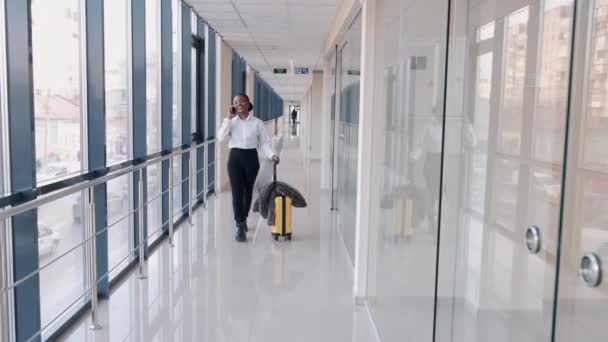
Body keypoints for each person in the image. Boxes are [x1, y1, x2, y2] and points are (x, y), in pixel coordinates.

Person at [218, 94, 280, 242]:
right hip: (235, 158)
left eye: (241, 101)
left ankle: (244, 217)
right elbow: (220, 137)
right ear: (233, 106)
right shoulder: (231, 122)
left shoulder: (257, 123)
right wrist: (228, 119)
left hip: (251, 158)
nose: (238, 104)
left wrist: (272, 155)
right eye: (235, 102)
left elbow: (264, 142)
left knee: (247, 191)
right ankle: (240, 224)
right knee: (237, 192)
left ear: (248, 104)